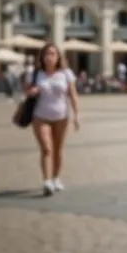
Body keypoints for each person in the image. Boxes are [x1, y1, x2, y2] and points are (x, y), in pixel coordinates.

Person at [25, 42, 80, 196]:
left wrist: (76, 116)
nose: (50, 57)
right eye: (47, 54)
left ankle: (56, 178)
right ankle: (47, 181)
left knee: (58, 150)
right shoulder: (35, 73)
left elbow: (73, 95)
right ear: (42, 57)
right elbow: (26, 92)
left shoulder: (66, 73)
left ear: (58, 57)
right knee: (47, 148)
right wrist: (32, 91)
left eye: (53, 54)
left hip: (62, 117)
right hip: (40, 116)